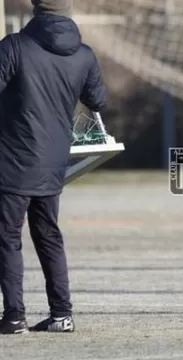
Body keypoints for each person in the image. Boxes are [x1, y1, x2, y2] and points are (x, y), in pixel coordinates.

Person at [0, 0, 107, 334]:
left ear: (36, 9)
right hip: (55, 162)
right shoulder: (84, 54)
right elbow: (99, 101)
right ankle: (62, 314)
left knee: (7, 238)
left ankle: (14, 315)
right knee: (49, 237)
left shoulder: (14, 46)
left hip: (12, 160)